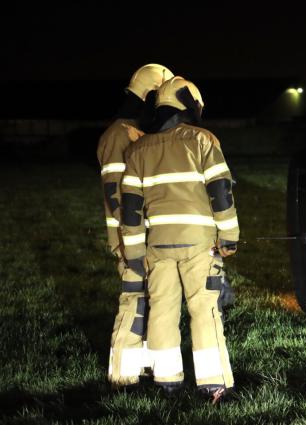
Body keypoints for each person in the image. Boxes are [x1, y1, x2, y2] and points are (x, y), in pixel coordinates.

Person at [120, 76, 238, 403]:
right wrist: (229, 236)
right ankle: (214, 386)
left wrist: (134, 252)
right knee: (205, 311)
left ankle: (166, 380)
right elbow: (221, 191)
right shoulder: (203, 140)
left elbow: (130, 209)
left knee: (161, 311)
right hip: (201, 245)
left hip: (157, 247)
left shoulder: (137, 150)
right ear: (189, 103)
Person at [97, 63, 174, 387]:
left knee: (149, 299)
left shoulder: (135, 134)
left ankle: (141, 367)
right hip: (130, 237)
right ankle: (123, 375)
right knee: (134, 298)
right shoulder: (118, 135)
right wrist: (133, 237)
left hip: (143, 235)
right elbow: (117, 194)